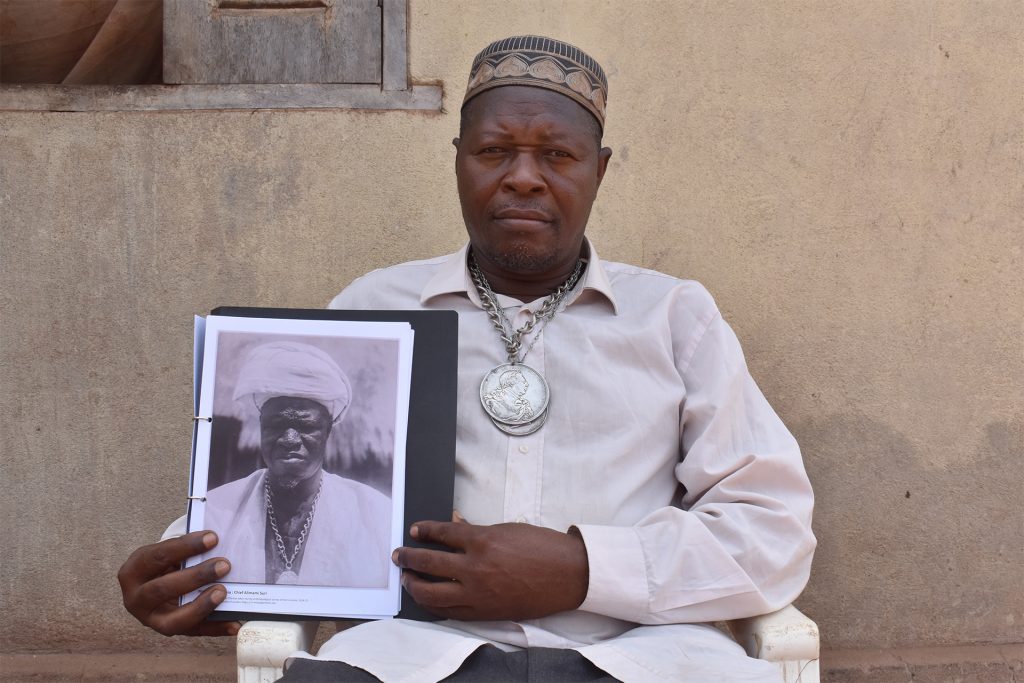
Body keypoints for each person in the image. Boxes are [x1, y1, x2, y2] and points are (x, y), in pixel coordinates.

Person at [118, 35, 815, 681]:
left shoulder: (673, 316)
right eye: (493, 152)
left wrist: (581, 569)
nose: (523, 178)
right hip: (410, 658)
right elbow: (294, 489)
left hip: (644, 657)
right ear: (458, 160)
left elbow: (772, 528)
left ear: (598, 171)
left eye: (558, 155)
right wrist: (190, 568)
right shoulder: (376, 307)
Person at [200, 341, 391, 587]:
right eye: (276, 426)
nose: (289, 439)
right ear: (261, 427)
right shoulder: (215, 511)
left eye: (306, 426)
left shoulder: (376, 517)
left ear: (328, 431)